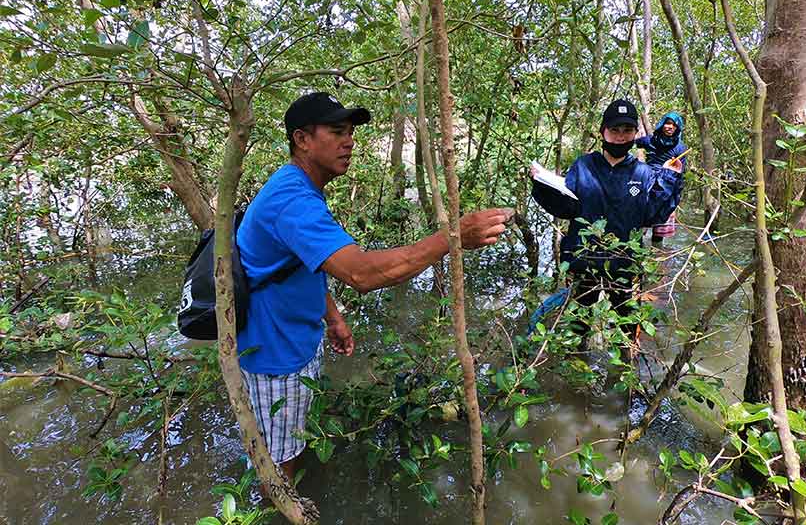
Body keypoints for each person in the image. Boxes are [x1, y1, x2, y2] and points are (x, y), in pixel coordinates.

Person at [236, 91, 511, 485]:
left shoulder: (298, 186)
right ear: (302, 139)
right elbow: (361, 273)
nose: (349, 141)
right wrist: (454, 236)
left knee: (292, 443)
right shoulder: (291, 198)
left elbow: (300, 264)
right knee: (276, 463)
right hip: (274, 357)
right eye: (336, 131)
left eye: (350, 132)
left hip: (295, 340)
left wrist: (333, 317)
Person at [530, 99, 683, 345]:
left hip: (623, 265)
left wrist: (669, 178)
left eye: (627, 131)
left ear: (635, 134)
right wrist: (542, 185)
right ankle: (576, 377)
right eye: (615, 130)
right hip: (584, 263)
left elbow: (653, 216)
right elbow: (567, 208)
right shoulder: (583, 166)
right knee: (578, 327)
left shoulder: (643, 173)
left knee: (626, 330)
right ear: (603, 131)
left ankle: (624, 376)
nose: (621, 137)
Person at [636, 112, 688, 244]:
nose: (670, 127)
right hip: (647, 184)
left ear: (677, 128)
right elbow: (632, 142)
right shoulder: (650, 140)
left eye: (674, 125)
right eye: (667, 123)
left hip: (667, 187)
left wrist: (676, 195)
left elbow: (680, 172)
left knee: (660, 232)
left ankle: (657, 259)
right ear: (662, 124)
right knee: (639, 227)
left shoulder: (680, 147)